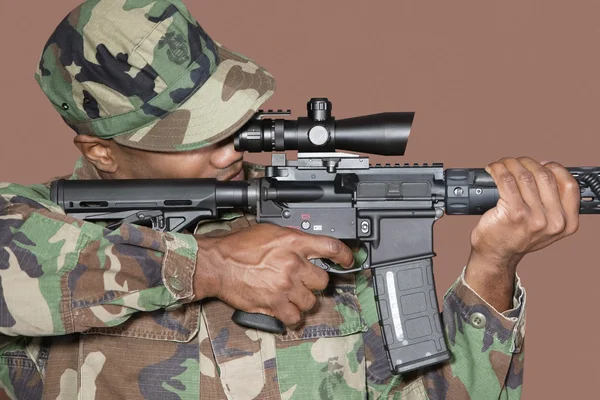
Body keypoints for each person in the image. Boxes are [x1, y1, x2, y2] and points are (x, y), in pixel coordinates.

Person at [0, 0, 580, 399]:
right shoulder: (40, 224)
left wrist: (492, 268)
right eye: (194, 137)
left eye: (234, 123)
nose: (229, 151)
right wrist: (213, 266)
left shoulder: (325, 246)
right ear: (101, 152)